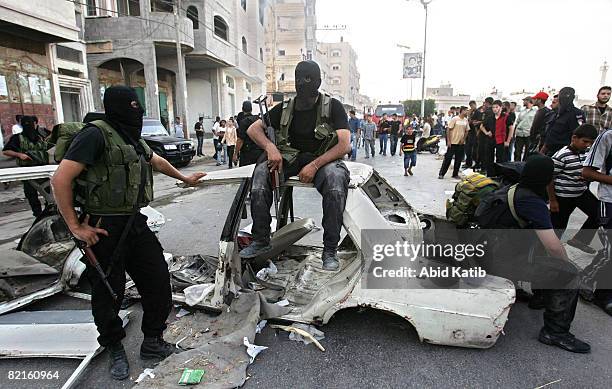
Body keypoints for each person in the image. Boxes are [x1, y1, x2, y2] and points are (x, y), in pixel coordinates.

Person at [50, 86, 205, 380]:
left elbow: (154, 160)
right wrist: (75, 226)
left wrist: (185, 178)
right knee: (109, 292)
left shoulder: (129, 135)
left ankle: (152, 342)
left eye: (139, 106)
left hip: (134, 222)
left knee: (158, 278)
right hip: (102, 226)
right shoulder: (95, 134)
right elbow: (61, 179)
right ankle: (114, 347)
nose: (138, 112)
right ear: (117, 107)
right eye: (132, 106)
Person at [242, 60, 350, 271]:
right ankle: (260, 239)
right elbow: (253, 129)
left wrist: (314, 165)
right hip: (289, 159)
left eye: (308, 79)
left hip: (322, 160)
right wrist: (271, 148)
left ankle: (329, 250)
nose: (303, 83)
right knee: (261, 174)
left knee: (336, 182)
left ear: (318, 81)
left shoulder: (332, 106)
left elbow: (344, 144)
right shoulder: (284, 108)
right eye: (299, 79)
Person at [480, 155, 590, 353]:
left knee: (540, 251)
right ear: (547, 178)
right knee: (568, 274)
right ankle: (555, 333)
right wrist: (566, 267)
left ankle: (540, 297)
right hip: (502, 263)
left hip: (486, 255)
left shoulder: (514, 188)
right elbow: (554, 247)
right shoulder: (532, 201)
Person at [547, 124, 599, 254]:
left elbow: (588, 172)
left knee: (599, 214)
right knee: (558, 227)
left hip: (581, 193)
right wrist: (552, 200)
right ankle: (549, 252)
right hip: (563, 197)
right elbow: (549, 179)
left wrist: (588, 178)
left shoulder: (587, 153)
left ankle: (580, 240)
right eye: (585, 141)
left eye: (590, 143)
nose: (587, 145)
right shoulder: (561, 155)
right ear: (574, 138)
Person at [582, 128, 612, 316]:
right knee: (610, 250)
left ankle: (604, 293)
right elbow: (587, 172)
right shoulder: (608, 137)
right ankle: (584, 278)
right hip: (609, 201)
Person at [2, 115, 50, 217]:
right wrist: (19, 155)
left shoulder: (43, 134)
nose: (29, 126)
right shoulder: (18, 138)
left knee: (49, 192)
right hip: (27, 171)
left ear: (35, 124)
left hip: (43, 169)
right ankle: (37, 214)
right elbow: (6, 151)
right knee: (31, 194)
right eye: (25, 124)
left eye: (31, 124)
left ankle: (49, 210)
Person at [542, 87, 585, 157]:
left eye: (567, 96)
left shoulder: (577, 113)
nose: (564, 98)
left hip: (565, 154)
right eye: (562, 96)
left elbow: (579, 135)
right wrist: (543, 150)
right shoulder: (555, 112)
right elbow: (551, 134)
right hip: (550, 152)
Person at [438, 106, 469, 179]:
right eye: (465, 111)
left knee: (458, 159)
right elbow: (448, 129)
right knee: (448, 158)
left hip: (461, 143)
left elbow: (467, 130)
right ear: (462, 111)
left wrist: (463, 139)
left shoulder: (465, 120)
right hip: (452, 142)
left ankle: (455, 174)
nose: (467, 112)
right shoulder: (455, 119)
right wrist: (448, 141)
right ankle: (442, 173)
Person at [236, 101, 263, 166]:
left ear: (242, 109)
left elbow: (240, 140)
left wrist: (235, 154)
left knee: (245, 173)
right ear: (251, 109)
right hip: (259, 152)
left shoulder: (243, 122)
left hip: (247, 154)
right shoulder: (258, 119)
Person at [514, 97, 537, 161]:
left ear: (528, 101)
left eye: (524, 101)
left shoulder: (535, 111)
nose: (523, 102)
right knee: (517, 152)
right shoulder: (522, 111)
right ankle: (516, 165)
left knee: (527, 151)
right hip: (519, 133)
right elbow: (517, 122)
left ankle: (525, 165)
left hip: (528, 133)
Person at [479, 97, 496, 176]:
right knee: (489, 154)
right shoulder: (493, 113)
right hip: (491, 135)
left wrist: (485, 132)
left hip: (486, 136)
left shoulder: (488, 112)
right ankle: (488, 170)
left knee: (484, 152)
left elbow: (483, 124)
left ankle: (484, 169)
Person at [492, 100, 509, 164]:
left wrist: (508, 141)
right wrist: (487, 132)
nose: (495, 109)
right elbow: (482, 125)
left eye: (496, 107)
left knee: (500, 157)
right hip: (493, 139)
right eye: (493, 107)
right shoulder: (491, 117)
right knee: (491, 156)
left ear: (501, 107)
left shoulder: (506, 116)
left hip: (502, 139)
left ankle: (500, 171)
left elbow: (511, 128)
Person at [464, 100, 478, 168]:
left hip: (475, 133)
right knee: (468, 149)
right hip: (469, 132)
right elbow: (468, 122)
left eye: (472, 105)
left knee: (474, 150)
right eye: (470, 106)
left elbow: (474, 122)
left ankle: (475, 163)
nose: (471, 107)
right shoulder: (470, 112)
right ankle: (468, 163)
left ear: (475, 104)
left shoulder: (478, 112)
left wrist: (470, 118)